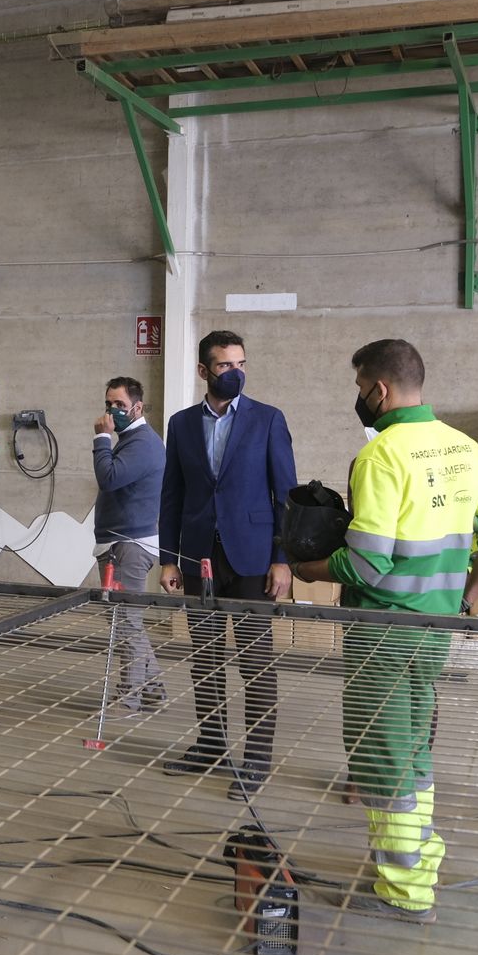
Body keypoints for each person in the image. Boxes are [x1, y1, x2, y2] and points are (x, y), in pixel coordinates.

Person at [293, 339, 478, 925]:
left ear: (380, 389)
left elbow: (368, 564)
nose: (360, 399)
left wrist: (309, 569)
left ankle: (405, 890)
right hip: (434, 631)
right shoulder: (462, 448)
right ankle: (421, 859)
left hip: (383, 632)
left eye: (360, 387)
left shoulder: (382, 456)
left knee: (382, 757)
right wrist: (464, 598)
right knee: (413, 749)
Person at [158, 330, 296, 801]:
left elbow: (286, 499)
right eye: (223, 365)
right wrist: (168, 559)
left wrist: (282, 559)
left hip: (254, 557)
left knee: (256, 663)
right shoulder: (180, 425)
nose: (234, 371)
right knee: (206, 659)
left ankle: (256, 760)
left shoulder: (268, 420)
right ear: (203, 371)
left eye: (240, 363)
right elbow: (172, 497)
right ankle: (211, 745)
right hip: (199, 556)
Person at [92, 376, 166, 714]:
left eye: (120, 405)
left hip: (130, 545)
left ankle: (129, 697)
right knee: (126, 622)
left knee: (126, 625)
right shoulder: (131, 440)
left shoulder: (142, 443)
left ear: (137, 406)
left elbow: (109, 478)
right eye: (109, 404)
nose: (112, 411)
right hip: (119, 542)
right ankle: (154, 690)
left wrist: (101, 438)